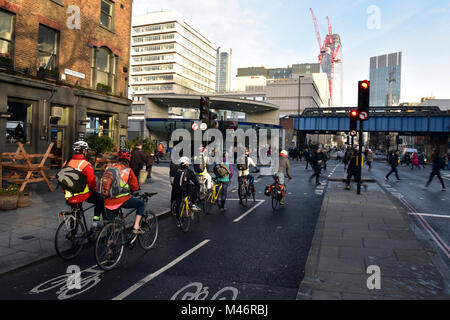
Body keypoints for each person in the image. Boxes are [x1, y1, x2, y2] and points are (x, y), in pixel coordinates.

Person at [62, 141, 105, 229]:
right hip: (82, 194)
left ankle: (72, 234)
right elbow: (92, 183)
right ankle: (95, 223)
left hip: (69, 195)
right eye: (86, 150)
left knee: (75, 213)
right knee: (100, 199)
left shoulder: (66, 163)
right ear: (84, 151)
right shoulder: (86, 165)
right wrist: (93, 190)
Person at [103, 149, 147, 235]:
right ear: (128, 159)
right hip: (122, 200)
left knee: (110, 225)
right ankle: (136, 227)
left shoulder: (108, 168)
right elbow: (135, 187)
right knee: (141, 204)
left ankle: (110, 245)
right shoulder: (128, 170)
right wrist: (135, 190)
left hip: (107, 200)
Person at [173, 156, 201, 227]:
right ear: (186, 164)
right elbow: (195, 181)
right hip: (185, 191)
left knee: (178, 204)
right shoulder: (189, 171)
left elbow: (174, 182)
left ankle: (178, 221)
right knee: (194, 191)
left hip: (177, 191)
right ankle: (193, 204)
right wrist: (198, 186)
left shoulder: (178, 171)